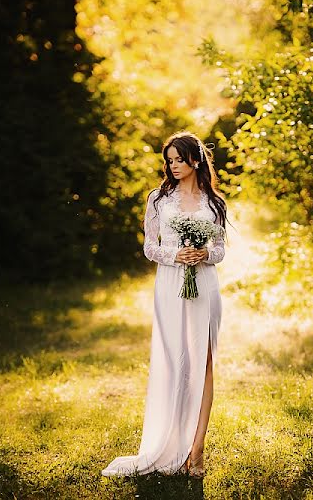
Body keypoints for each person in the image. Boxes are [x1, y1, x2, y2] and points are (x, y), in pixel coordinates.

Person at [101, 131, 228, 478]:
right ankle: (171, 443)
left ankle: (197, 452)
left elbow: (220, 250)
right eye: (169, 160)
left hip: (205, 284)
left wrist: (204, 254)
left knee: (204, 364)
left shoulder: (214, 203)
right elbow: (149, 248)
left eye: (179, 159)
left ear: (196, 160)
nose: (173, 165)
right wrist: (177, 254)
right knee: (176, 363)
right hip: (170, 284)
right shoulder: (157, 199)